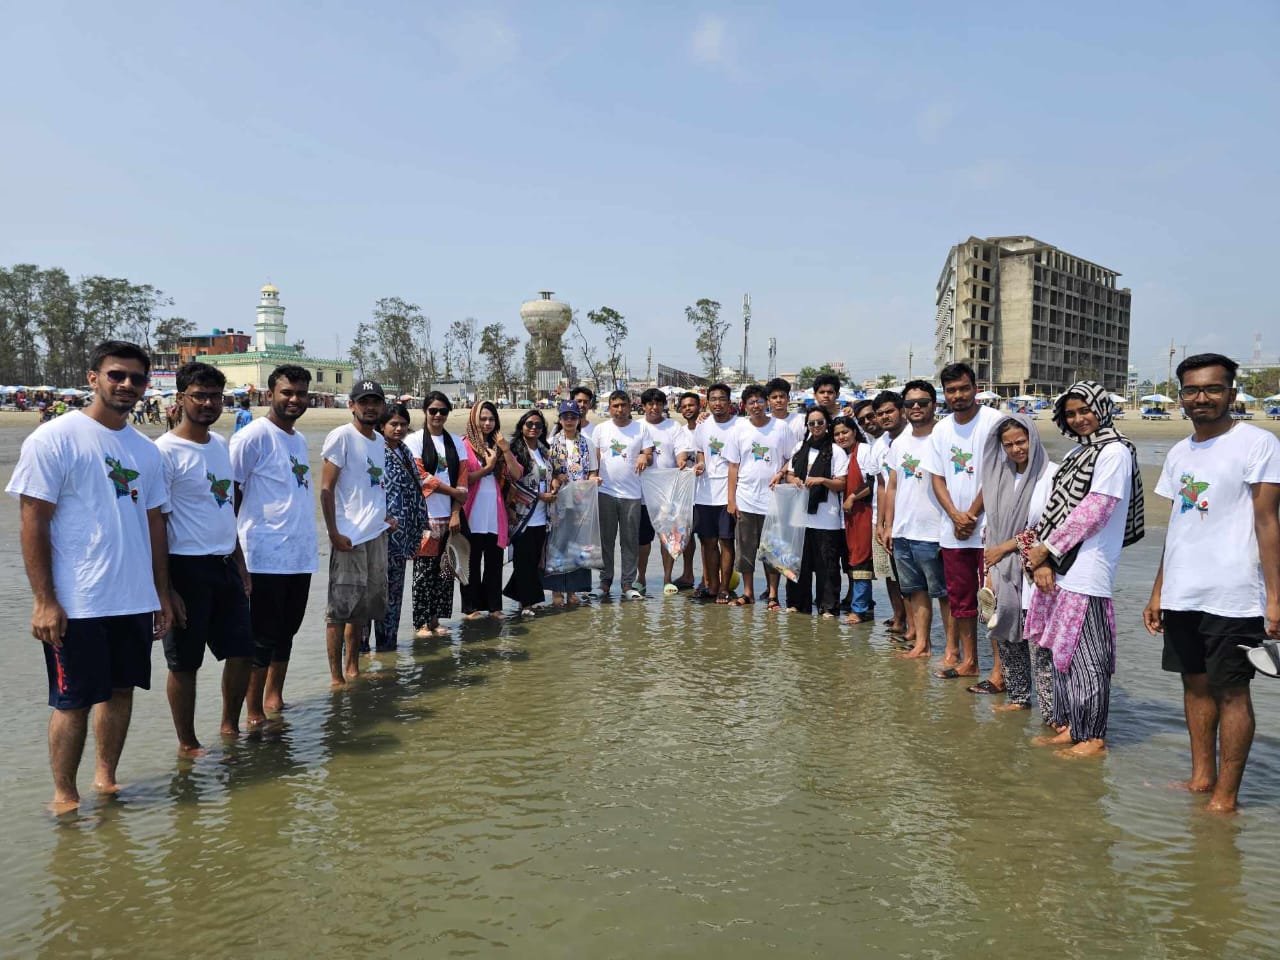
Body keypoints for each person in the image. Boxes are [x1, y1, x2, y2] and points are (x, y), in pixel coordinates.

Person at [7, 340, 171, 811]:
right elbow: (33, 519)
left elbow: (154, 523)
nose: (126, 385)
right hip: (77, 601)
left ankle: (107, 778)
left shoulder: (145, 450)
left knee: (120, 692)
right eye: (116, 375)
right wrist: (44, 600)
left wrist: (160, 593)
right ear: (92, 377)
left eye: (136, 378)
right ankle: (65, 794)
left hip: (133, 598)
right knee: (72, 700)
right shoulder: (54, 438)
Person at [1144, 353, 1280, 812]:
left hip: (1235, 594)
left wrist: (1275, 598)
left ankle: (1226, 797)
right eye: (1192, 390)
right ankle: (1202, 778)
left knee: (1232, 691)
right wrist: (1159, 590)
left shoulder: (1257, 443)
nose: (1201, 398)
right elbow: (1179, 527)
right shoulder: (1181, 452)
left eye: (1212, 389)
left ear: (1232, 394)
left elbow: (1268, 523)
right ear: (1182, 396)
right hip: (1184, 591)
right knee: (1194, 685)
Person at [1023, 381, 1144, 759]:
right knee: (1064, 652)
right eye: (1071, 414)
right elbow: (1056, 507)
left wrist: (1046, 549)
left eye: (1084, 410)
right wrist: (1042, 554)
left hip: (1088, 568)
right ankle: (1073, 726)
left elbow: (1097, 509)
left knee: (1087, 657)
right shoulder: (1080, 453)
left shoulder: (1114, 452)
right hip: (1062, 567)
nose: (1078, 419)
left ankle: (1093, 736)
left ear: (1101, 407)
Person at [155, 361, 253, 756]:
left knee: (243, 650)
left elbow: (227, 508)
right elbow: (156, 523)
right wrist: (165, 590)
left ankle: (230, 725)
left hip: (225, 563)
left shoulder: (222, 447)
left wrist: (241, 565)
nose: (209, 403)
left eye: (216, 396)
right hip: (184, 566)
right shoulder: (163, 452)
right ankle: (187, 742)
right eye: (200, 396)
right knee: (185, 663)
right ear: (180, 399)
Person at [229, 364, 317, 725]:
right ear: (270, 395)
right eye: (287, 393)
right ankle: (253, 712)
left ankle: (275, 697)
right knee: (261, 639)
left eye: (300, 393)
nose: (294, 399)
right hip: (262, 556)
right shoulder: (252, 436)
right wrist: (235, 557)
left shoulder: (297, 439)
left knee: (287, 633)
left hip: (300, 555)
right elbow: (229, 495)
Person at [924, 362, 1005, 691]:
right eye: (951, 390)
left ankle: (1000, 669)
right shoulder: (941, 430)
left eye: (963, 388)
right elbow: (937, 477)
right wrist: (955, 515)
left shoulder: (994, 422)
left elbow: (998, 473)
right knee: (962, 601)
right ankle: (970, 661)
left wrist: (971, 514)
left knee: (994, 600)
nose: (958, 395)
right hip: (953, 532)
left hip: (990, 528)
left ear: (975, 388)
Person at [981, 414, 1057, 717]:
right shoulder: (1000, 477)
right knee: (1007, 634)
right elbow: (991, 527)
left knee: (1040, 644)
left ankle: (1051, 711)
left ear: (1033, 439)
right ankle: (1018, 696)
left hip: (1037, 568)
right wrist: (990, 568)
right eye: (1008, 444)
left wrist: (1006, 547)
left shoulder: (1051, 474)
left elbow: (1051, 526)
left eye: (1021, 442)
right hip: (1001, 568)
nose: (1016, 449)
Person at [320, 380, 390, 682]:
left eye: (375, 401)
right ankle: (336, 677)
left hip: (376, 535)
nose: (370, 407)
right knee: (339, 612)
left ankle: (353, 667)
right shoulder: (341, 437)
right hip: (348, 537)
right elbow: (326, 488)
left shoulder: (379, 441)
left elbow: (371, 488)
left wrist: (386, 517)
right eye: (364, 401)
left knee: (362, 610)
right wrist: (333, 532)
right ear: (352, 405)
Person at [882, 381, 950, 660]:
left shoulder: (945, 437)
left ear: (934, 404)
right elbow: (893, 485)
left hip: (937, 531)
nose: (916, 408)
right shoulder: (899, 443)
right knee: (916, 592)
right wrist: (888, 525)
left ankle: (952, 650)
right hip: (904, 531)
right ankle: (922, 644)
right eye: (910, 404)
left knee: (945, 594)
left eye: (922, 402)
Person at [727, 383, 796, 608]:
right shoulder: (738, 429)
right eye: (750, 402)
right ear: (744, 406)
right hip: (746, 499)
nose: (755, 406)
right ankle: (748, 593)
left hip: (773, 501)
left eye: (759, 401)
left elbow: (791, 458)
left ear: (765, 402)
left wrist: (781, 473)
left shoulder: (780, 428)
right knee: (745, 550)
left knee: (772, 550)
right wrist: (731, 500)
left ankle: (773, 595)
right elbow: (733, 467)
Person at [406, 392, 467, 636]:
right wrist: (452, 490)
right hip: (425, 517)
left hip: (448, 516)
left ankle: (435, 619)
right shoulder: (415, 440)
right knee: (423, 572)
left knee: (444, 570)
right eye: (433, 410)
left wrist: (455, 513)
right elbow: (421, 476)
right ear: (425, 412)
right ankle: (421, 621)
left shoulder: (455, 442)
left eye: (443, 411)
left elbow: (463, 483)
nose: (438, 415)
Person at [781, 406, 849, 617]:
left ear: (827, 424)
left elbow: (842, 483)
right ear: (807, 426)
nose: (816, 426)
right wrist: (796, 481)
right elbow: (789, 475)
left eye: (820, 422)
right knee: (796, 564)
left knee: (827, 567)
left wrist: (822, 480)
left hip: (826, 519)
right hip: (799, 517)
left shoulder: (835, 450)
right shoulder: (800, 447)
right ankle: (796, 603)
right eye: (812, 423)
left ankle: (827, 607)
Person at [374, 403, 427, 651]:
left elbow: (415, 491)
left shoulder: (405, 451)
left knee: (395, 593)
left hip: (402, 535)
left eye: (403, 424)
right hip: (377, 534)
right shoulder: (374, 450)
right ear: (382, 425)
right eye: (393, 424)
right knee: (372, 593)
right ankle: (361, 649)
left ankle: (388, 645)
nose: (398, 428)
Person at [591, 390, 652, 600]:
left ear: (630, 406)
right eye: (615, 405)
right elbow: (594, 461)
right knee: (606, 540)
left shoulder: (641, 428)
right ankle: (605, 582)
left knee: (629, 541)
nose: (620, 409)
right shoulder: (600, 429)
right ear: (609, 407)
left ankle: (627, 584)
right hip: (605, 492)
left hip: (632, 494)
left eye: (623, 405)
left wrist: (645, 455)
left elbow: (649, 454)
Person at [461, 401, 520, 618]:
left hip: (495, 514)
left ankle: (495, 607)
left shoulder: (500, 446)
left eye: (491, 419)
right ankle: (471, 607)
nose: (487, 423)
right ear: (474, 419)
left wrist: (505, 449)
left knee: (494, 563)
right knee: (471, 563)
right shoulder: (463, 445)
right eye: (483, 419)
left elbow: (516, 474)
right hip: (472, 514)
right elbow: (463, 479)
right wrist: (488, 467)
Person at [637, 388, 691, 595]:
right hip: (642, 494)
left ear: (663, 405)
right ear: (643, 406)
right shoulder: (637, 427)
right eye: (649, 404)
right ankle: (640, 578)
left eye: (658, 403)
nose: (654, 407)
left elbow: (681, 451)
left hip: (669, 493)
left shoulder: (673, 426)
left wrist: (682, 461)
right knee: (642, 541)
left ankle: (667, 579)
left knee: (668, 537)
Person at [546, 401, 598, 606]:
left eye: (573, 417)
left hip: (581, 503)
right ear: (559, 419)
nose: (569, 421)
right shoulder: (550, 442)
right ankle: (557, 590)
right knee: (557, 546)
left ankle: (573, 590)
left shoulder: (588, 443)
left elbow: (593, 471)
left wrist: (594, 480)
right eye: (565, 416)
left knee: (578, 546)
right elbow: (546, 471)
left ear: (579, 420)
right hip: (558, 503)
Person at [504, 410, 555, 615]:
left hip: (543, 514)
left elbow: (551, 473)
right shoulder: (515, 450)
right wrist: (539, 496)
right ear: (522, 425)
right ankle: (527, 603)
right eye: (529, 424)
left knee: (534, 559)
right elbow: (511, 481)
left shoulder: (544, 450)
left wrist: (555, 483)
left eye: (538, 425)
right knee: (523, 559)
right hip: (522, 514)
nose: (533, 428)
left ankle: (519, 596)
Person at [692, 383, 739, 603]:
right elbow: (701, 452)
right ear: (707, 402)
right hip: (705, 493)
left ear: (729, 402)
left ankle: (724, 588)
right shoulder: (702, 425)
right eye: (713, 399)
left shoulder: (740, 425)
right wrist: (700, 464)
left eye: (722, 399)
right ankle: (712, 585)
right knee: (707, 542)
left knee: (726, 541)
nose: (717, 403)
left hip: (728, 493)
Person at [871, 391, 910, 637]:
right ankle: (899, 617)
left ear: (901, 410)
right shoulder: (879, 444)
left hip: (909, 519)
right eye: (881, 413)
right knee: (888, 573)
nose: (885, 417)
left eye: (889, 411)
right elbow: (882, 484)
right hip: (883, 518)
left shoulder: (912, 438)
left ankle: (915, 627)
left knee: (910, 579)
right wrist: (881, 523)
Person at [832, 415, 875, 623]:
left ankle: (859, 609)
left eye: (845, 432)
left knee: (861, 562)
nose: (841, 437)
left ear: (854, 432)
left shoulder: (864, 451)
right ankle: (864, 606)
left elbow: (873, 481)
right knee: (850, 563)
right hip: (842, 518)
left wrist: (852, 496)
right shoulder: (837, 454)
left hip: (861, 513)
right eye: (837, 434)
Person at [673, 391, 703, 589]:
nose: (688, 409)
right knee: (687, 536)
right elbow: (680, 456)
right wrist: (682, 461)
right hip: (686, 493)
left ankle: (708, 578)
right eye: (684, 407)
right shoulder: (680, 431)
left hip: (708, 493)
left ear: (700, 406)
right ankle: (688, 574)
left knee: (709, 539)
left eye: (691, 405)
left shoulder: (708, 427)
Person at [766, 377, 806, 446]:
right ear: (768, 401)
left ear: (788, 399)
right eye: (774, 397)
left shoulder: (801, 420)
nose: (778, 400)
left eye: (782, 396)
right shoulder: (763, 422)